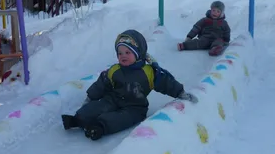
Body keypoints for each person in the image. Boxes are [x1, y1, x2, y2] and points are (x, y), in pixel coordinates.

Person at [61, 29, 198, 141]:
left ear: (138, 53)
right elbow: (102, 83)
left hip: (135, 107)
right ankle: (78, 120)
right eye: (120, 53)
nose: (123, 56)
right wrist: (90, 97)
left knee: (121, 119)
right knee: (96, 107)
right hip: (113, 99)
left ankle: (99, 127)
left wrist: (180, 92)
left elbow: (166, 82)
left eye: (127, 52)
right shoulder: (115, 70)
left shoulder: (149, 72)